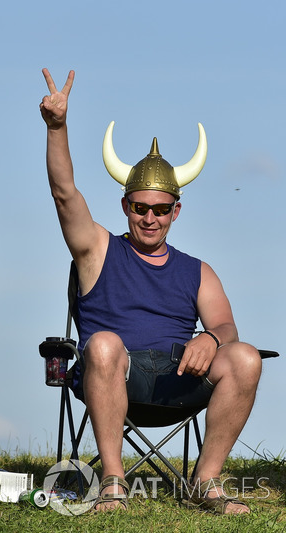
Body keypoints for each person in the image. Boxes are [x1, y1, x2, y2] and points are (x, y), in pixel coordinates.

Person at [40, 69, 261, 514]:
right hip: (114, 374)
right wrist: (57, 128)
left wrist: (211, 338)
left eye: (161, 209)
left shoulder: (198, 270)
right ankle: (113, 483)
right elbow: (65, 195)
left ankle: (206, 483)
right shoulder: (98, 250)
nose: (150, 218)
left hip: (180, 380)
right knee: (101, 344)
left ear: (176, 211)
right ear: (125, 206)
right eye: (140, 208)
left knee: (246, 356)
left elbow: (226, 325)